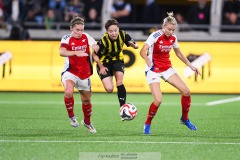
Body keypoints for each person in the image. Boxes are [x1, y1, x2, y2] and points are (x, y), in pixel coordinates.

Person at [140, 12, 200, 135]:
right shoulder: (155, 35)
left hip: (167, 68)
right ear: (163, 26)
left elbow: (178, 53)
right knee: (158, 100)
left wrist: (190, 65)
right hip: (153, 69)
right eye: (169, 29)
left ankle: (184, 119)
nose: (171, 32)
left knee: (186, 91)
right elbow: (142, 50)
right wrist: (147, 59)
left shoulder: (174, 38)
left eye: (173, 30)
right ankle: (147, 123)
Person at [59, 14, 99, 133]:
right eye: (77, 30)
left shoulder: (86, 36)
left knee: (86, 100)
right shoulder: (66, 38)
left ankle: (87, 122)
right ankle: (71, 117)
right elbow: (61, 52)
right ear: (71, 28)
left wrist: (97, 48)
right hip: (70, 71)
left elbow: (94, 45)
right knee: (69, 91)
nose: (80, 32)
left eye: (81, 30)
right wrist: (75, 53)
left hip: (84, 73)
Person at [92, 19, 139, 118]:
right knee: (109, 89)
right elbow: (94, 55)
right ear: (107, 32)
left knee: (119, 81)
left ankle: (123, 108)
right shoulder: (103, 41)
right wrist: (101, 67)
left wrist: (134, 45)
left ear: (118, 29)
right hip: (104, 63)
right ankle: (107, 75)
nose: (114, 33)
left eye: (115, 30)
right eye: (111, 31)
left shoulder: (123, 35)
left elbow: (134, 44)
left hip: (118, 61)